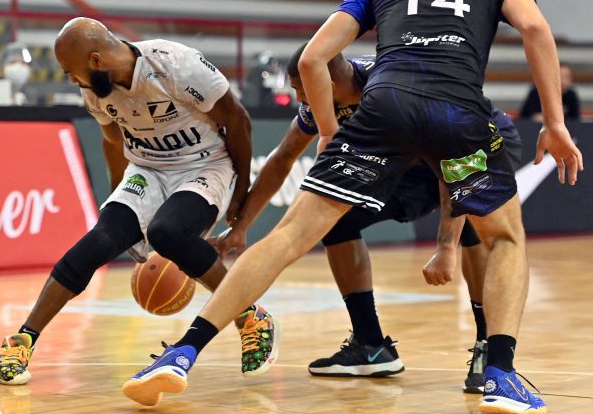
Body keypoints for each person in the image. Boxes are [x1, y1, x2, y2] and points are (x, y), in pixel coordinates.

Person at [124, 0, 583, 413]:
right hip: (457, 115)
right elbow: (536, 30)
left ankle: (183, 353)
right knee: (505, 238)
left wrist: (328, 132)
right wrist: (556, 124)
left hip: (384, 110)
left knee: (287, 238)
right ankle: (499, 374)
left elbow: (312, 58)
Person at [213, 43, 521, 393]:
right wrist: (241, 226)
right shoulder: (321, 103)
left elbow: (452, 166)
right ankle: (371, 345)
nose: (298, 98)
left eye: (301, 89)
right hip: (409, 163)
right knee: (337, 221)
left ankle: (487, 345)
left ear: (326, 82)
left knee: (472, 218)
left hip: (477, 145)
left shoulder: (391, 88)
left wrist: (445, 246)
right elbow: (284, 157)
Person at [0, 17, 279, 388]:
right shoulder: (95, 90)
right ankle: (23, 339)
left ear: (96, 61)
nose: (72, 80)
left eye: (70, 72)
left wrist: (240, 191)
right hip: (147, 168)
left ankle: (250, 316)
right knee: (99, 241)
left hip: (204, 165)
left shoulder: (176, 64)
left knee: (167, 233)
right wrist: (121, 204)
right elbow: (113, 141)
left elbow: (238, 120)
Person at [1, 42, 33, 106]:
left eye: (23, 62)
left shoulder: (35, 98)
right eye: (13, 62)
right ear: (2, 68)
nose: (18, 66)